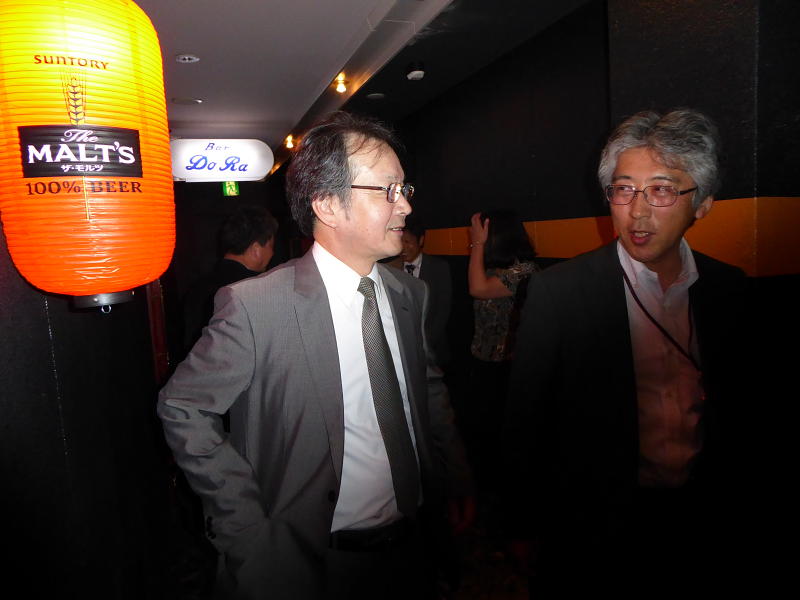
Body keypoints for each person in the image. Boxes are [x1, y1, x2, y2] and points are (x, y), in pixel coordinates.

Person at [157, 111, 474, 600]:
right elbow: (183, 407)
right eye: (388, 190)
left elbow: (426, 388)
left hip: (414, 546)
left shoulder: (409, 294)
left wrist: (454, 475)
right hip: (309, 563)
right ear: (327, 204)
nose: (406, 206)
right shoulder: (256, 305)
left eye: (405, 188)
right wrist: (245, 529)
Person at [504, 109, 752, 591]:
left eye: (661, 190)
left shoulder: (730, 288)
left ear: (701, 204)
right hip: (596, 522)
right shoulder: (560, 291)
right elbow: (526, 418)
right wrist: (522, 523)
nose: (638, 211)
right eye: (624, 189)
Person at [465, 209, 538, 491]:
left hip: (506, 368)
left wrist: (477, 243)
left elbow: (478, 289)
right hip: (484, 362)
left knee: (502, 438)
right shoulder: (496, 270)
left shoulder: (524, 271)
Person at [181, 204, 278, 356]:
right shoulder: (256, 291)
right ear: (256, 250)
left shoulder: (197, 288)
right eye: (271, 246)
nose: (272, 253)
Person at [395, 215, 453, 369]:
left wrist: (425, 343)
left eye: (407, 242)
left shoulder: (438, 267)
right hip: (402, 349)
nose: (402, 247)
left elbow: (442, 310)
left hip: (432, 347)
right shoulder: (391, 269)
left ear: (420, 240)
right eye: (400, 241)